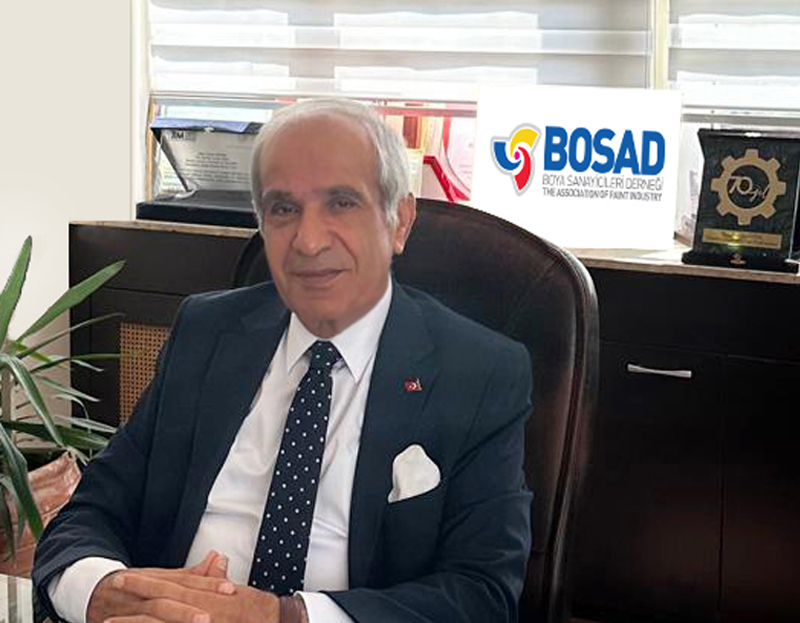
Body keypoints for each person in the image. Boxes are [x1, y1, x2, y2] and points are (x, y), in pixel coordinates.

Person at [33, 98, 533, 623]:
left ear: (400, 221)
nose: (309, 241)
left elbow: (482, 594)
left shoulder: (479, 374)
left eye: (342, 203)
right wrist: (106, 592)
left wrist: (283, 617)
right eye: (283, 209)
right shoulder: (206, 333)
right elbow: (90, 513)